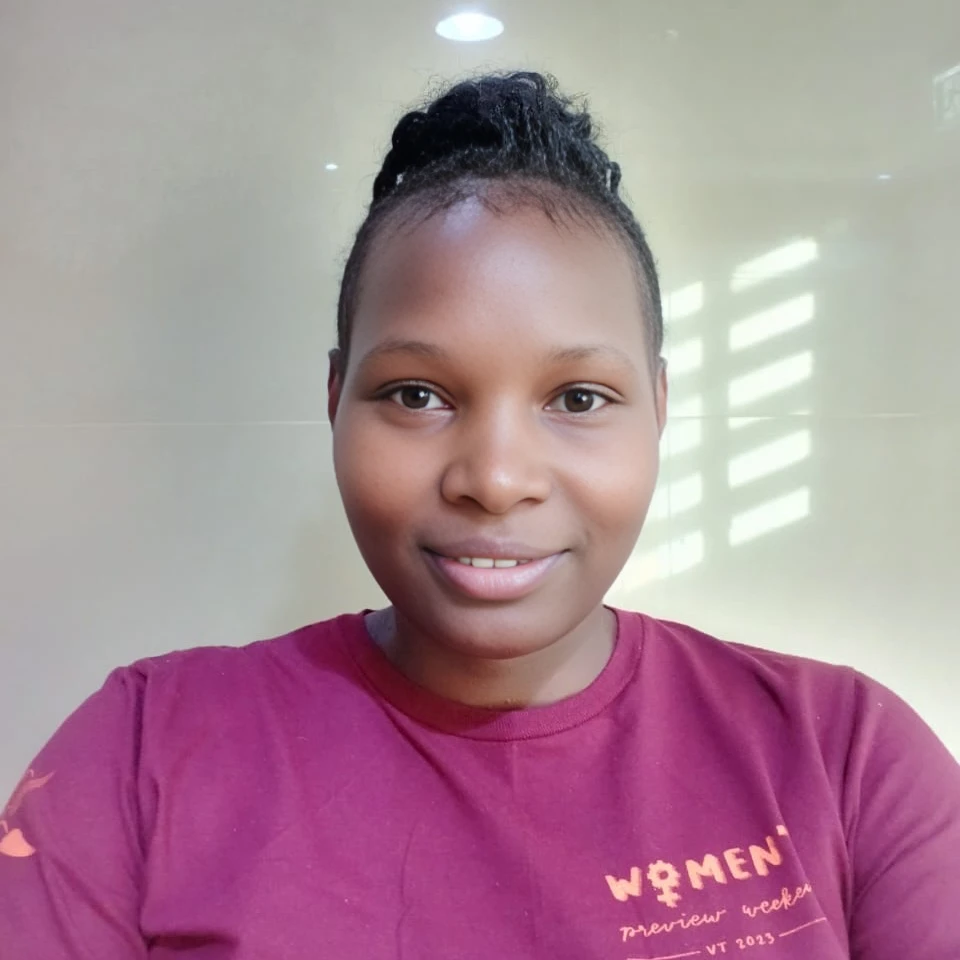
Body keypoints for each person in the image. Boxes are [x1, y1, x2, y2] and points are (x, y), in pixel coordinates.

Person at [1, 70, 958, 960]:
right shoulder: (143, 754)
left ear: (659, 409)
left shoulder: (847, 761)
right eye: (417, 395)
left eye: (578, 398)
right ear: (335, 399)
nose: (496, 480)